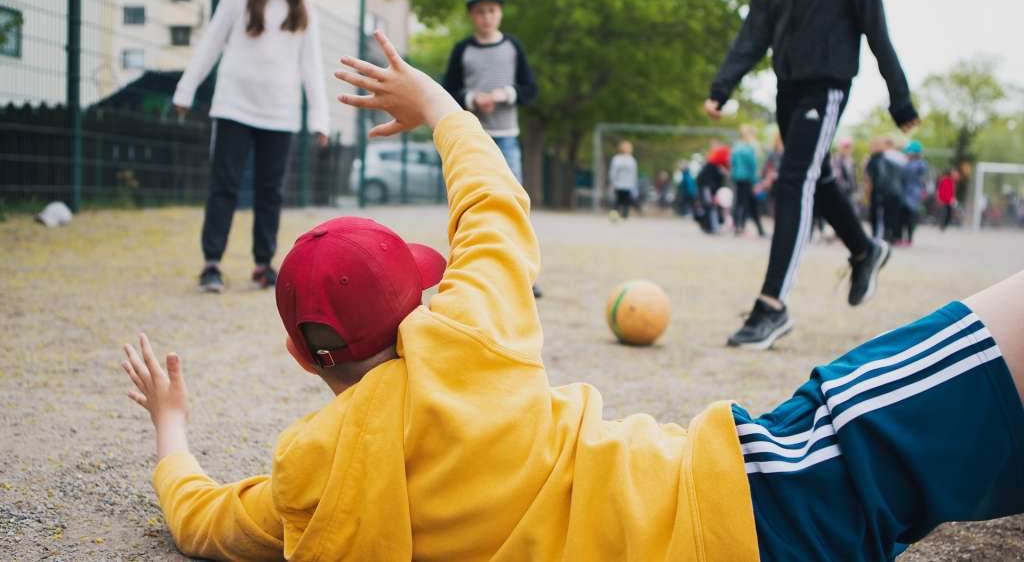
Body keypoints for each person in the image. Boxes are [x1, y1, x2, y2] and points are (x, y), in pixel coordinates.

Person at [121, 32, 1024, 562]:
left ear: (299, 354)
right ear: (426, 298)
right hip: (742, 506)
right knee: (939, 384)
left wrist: (171, 428)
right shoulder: (470, 329)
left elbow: (203, 520)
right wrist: (440, 106)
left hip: (756, 529)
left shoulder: (307, 476)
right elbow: (492, 204)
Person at [702, 0, 919, 349]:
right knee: (814, 179)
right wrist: (722, 87)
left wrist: (899, 99)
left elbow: (877, 32)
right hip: (788, 90)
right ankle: (865, 250)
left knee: (794, 180)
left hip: (827, 87)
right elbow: (752, 36)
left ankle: (772, 306)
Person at [172, 0, 330, 293]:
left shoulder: (305, 6)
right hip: (233, 107)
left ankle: (263, 263)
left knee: (270, 190)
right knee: (224, 186)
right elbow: (211, 42)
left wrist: (319, 118)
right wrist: (185, 89)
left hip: (280, 113)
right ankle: (212, 263)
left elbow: (312, 66)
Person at [442, 0, 541, 296]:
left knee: (512, 203)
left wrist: (505, 94)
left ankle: (522, 272)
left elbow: (530, 89)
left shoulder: (512, 47)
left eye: (492, 10)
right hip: (474, 138)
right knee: (470, 203)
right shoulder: (463, 50)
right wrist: (472, 99)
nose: (487, 17)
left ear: (500, 13)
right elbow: (446, 91)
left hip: (507, 137)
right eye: (480, 11)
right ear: (472, 15)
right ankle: (470, 272)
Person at [731, 125, 766, 237]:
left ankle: (739, 226)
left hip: (737, 178)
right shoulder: (751, 147)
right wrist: (756, 180)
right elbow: (753, 164)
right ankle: (742, 227)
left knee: (740, 202)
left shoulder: (736, 147)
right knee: (747, 203)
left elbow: (732, 162)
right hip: (748, 178)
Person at [695, 145, 730, 234]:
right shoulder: (714, 165)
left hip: (707, 187)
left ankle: (710, 226)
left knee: (709, 206)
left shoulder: (714, 165)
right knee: (708, 206)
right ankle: (710, 227)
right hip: (706, 187)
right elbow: (714, 181)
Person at [898, 140, 928, 245]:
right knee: (907, 217)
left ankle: (907, 239)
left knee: (907, 217)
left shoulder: (913, 165)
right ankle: (907, 238)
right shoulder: (920, 164)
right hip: (911, 193)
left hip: (910, 194)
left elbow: (903, 175)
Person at [608, 140, 639, 220]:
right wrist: (613, 182)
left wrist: (633, 184)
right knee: (620, 200)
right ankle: (618, 215)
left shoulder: (629, 160)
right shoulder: (622, 159)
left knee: (622, 201)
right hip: (621, 184)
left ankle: (622, 215)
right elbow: (613, 172)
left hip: (625, 184)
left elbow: (633, 174)